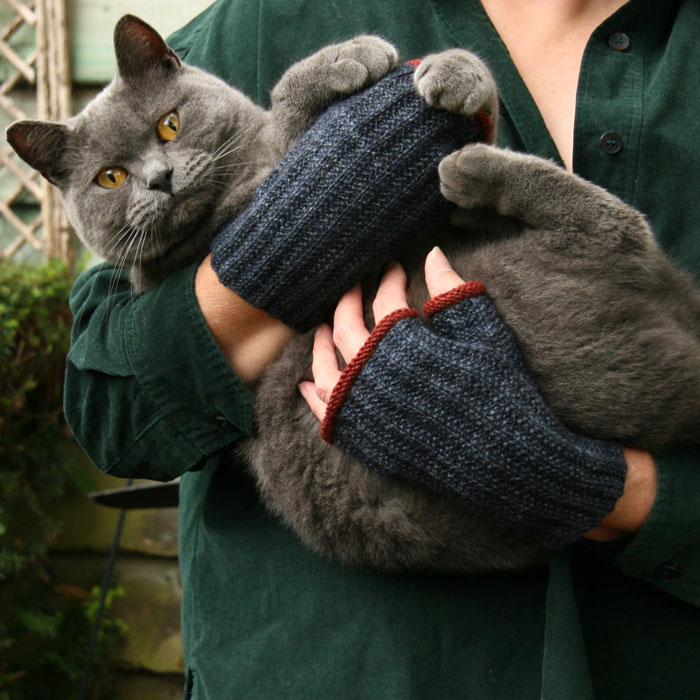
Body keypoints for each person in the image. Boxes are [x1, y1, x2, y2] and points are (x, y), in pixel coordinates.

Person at [64, 1, 700, 698]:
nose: (158, 172)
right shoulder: (261, 21)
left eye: (168, 132)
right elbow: (107, 404)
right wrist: (283, 247)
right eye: (116, 176)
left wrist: (601, 490)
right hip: (345, 662)